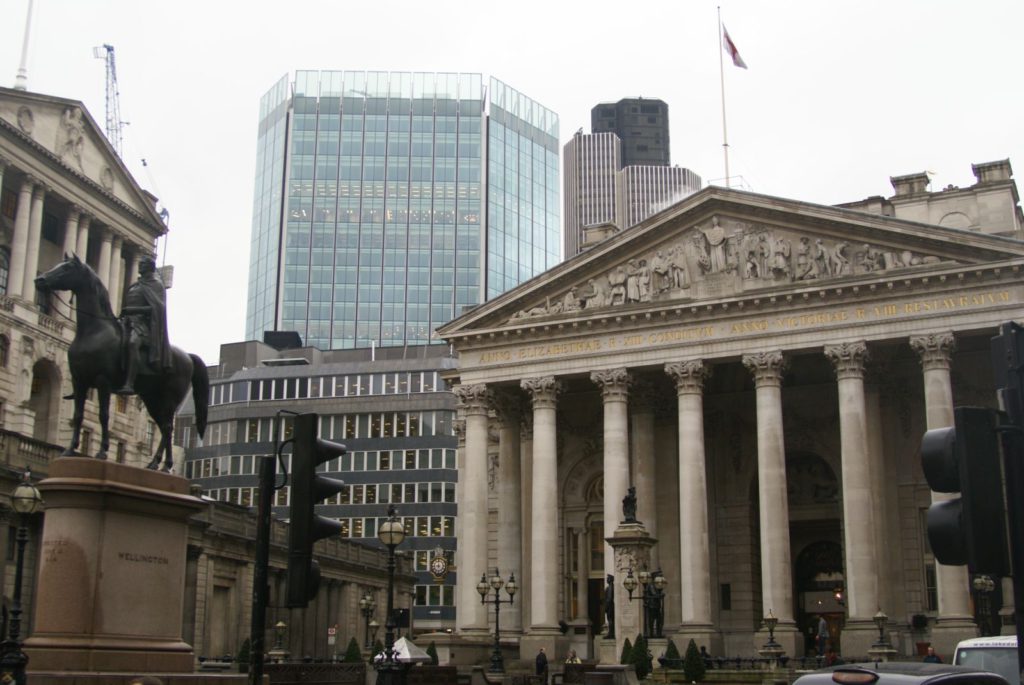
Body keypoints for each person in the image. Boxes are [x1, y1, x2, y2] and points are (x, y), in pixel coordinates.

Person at [116, 256, 171, 395]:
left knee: (133, 343)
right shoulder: (136, 285)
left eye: (143, 264)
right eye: (139, 264)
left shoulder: (156, 285)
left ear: (150, 267)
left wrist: (132, 310)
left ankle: (129, 383)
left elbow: (157, 308)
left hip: (143, 325)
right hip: (127, 321)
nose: (140, 266)